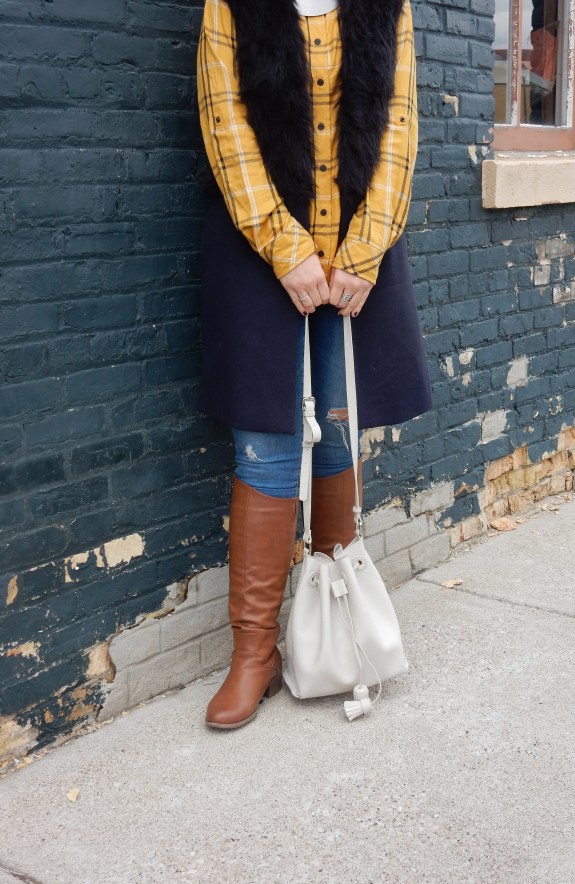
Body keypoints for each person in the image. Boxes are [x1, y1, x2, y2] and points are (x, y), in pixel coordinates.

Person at [196, 0, 432, 729]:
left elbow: (398, 125)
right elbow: (224, 121)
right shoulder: (229, 4)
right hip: (259, 254)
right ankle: (254, 653)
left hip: (354, 260)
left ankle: (333, 622)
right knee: (265, 443)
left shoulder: (387, 7)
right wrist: (285, 247)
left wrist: (363, 251)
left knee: (334, 430)